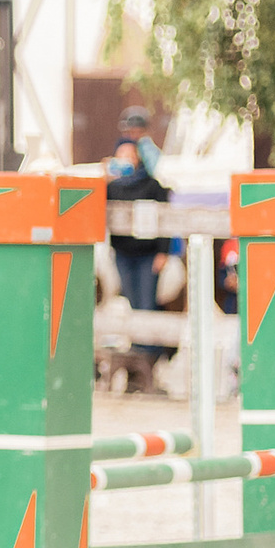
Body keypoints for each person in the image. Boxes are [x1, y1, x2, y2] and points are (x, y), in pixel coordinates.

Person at [104, 135, 173, 372]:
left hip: (147, 255)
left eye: (129, 155)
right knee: (133, 305)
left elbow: (166, 219)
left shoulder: (151, 185)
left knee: (147, 304)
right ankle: (137, 362)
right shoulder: (112, 187)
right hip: (123, 254)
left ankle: (148, 362)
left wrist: (163, 252)